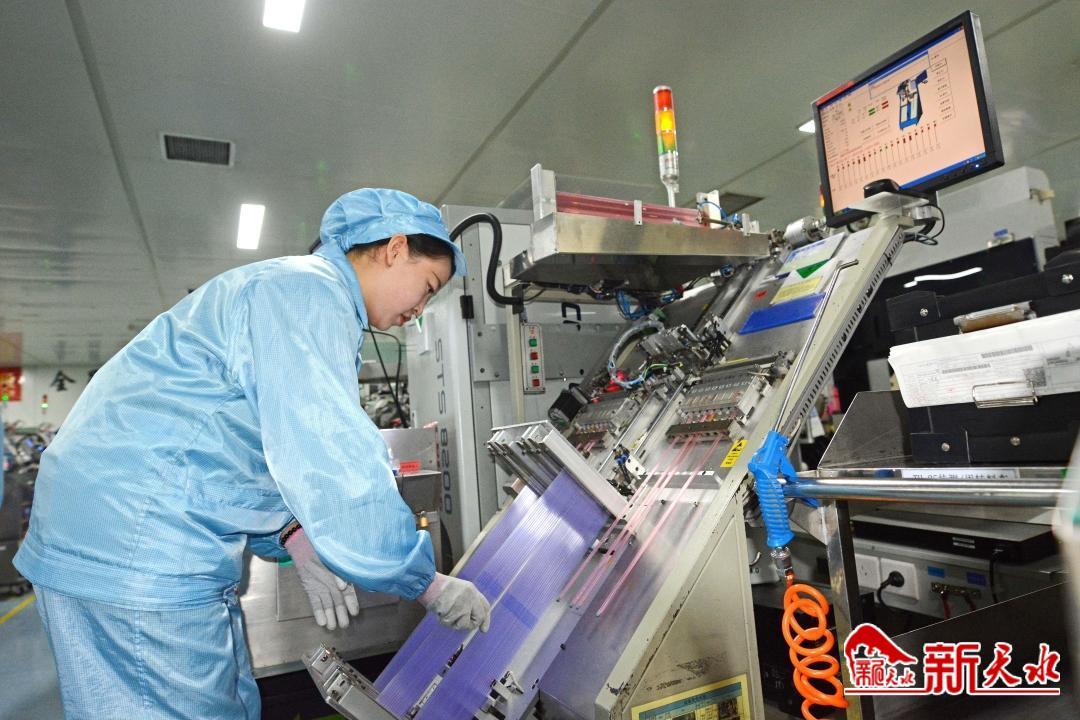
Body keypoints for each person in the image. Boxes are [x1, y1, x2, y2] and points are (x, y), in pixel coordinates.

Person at [14, 188, 491, 719]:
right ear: (395, 248)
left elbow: (242, 442)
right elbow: (330, 452)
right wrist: (422, 580)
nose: (420, 311)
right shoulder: (309, 293)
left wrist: (289, 533)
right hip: (139, 546)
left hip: (115, 532)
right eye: (428, 287)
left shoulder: (287, 289)